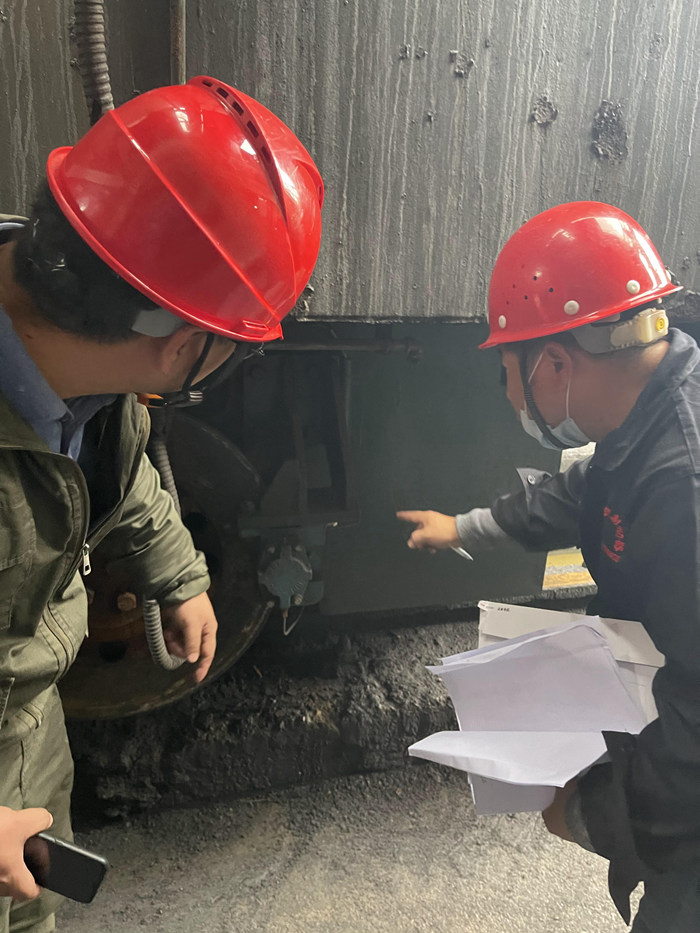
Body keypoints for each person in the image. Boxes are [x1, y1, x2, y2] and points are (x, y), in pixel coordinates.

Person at [0, 76, 323, 932]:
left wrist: (176, 571)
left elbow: (119, 465)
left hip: (21, 752)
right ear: (182, 346)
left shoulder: (77, 376)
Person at [398, 201, 700, 932]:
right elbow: (586, 489)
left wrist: (596, 814)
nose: (512, 396)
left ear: (556, 364)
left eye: (508, 371)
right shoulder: (652, 408)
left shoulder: (684, 491)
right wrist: (465, 527)